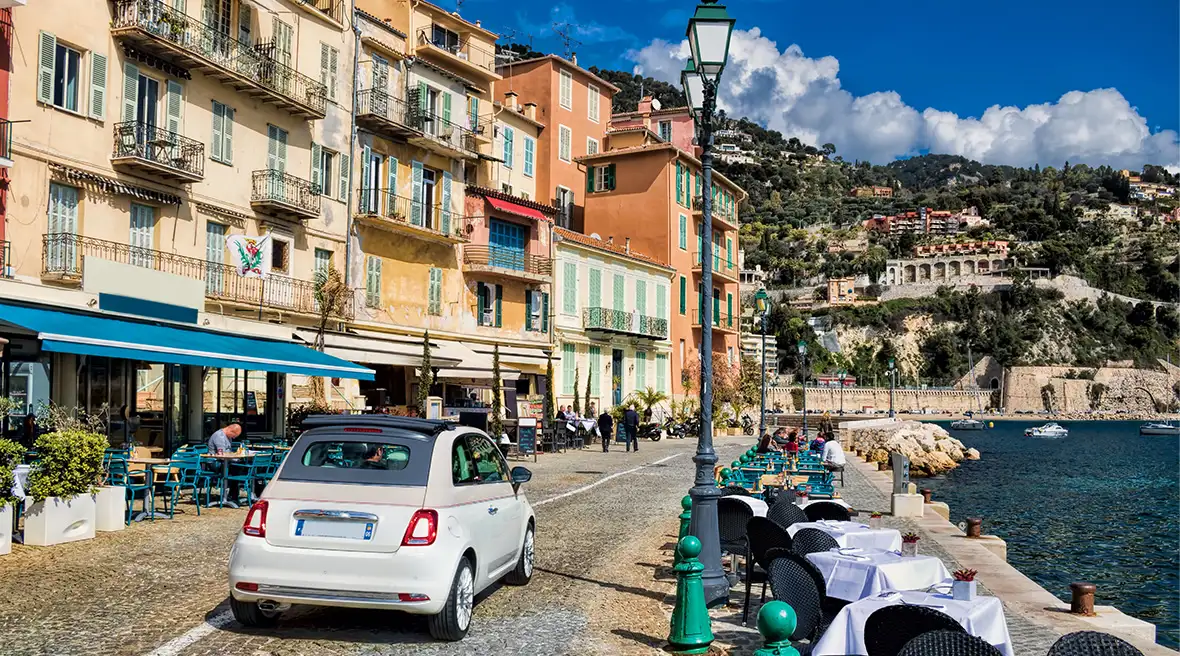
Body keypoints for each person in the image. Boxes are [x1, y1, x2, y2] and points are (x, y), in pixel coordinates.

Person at [206, 423, 243, 501]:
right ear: (231, 431)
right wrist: (235, 458)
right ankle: (232, 495)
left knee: (241, 468)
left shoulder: (227, 436)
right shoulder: (220, 437)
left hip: (225, 461)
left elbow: (228, 452)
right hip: (215, 463)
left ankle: (233, 495)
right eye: (234, 436)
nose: (234, 437)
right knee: (237, 469)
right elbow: (222, 454)